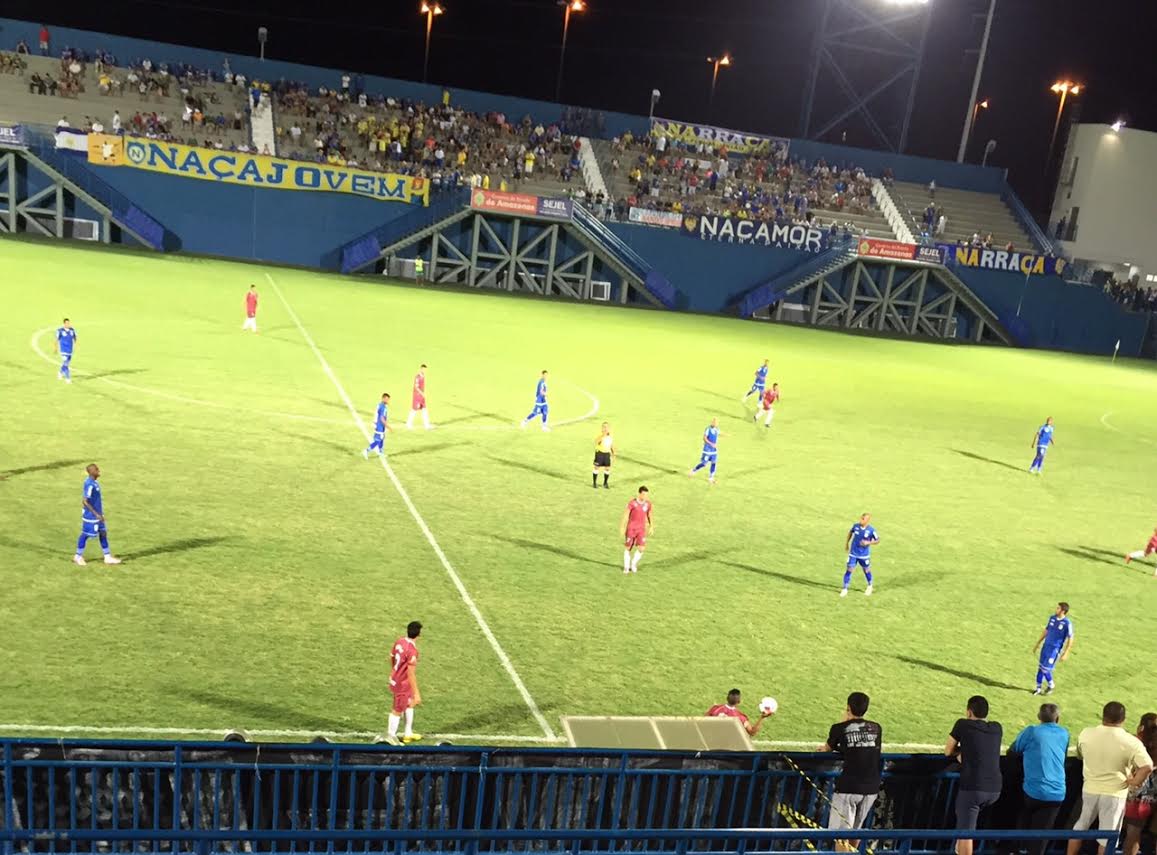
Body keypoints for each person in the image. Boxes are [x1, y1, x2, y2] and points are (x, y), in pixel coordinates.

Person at [1066, 702, 1154, 855]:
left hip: (1090, 790)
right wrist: (1134, 782)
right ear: (1123, 719)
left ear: (1103, 716)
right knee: (1108, 836)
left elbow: (1080, 755)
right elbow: (1147, 766)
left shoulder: (1086, 733)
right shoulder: (1130, 741)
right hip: (1115, 794)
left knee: (1080, 827)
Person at [820, 692, 883, 848]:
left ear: (848, 707)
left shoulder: (839, 728)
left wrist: (845, 722)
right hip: (871, 788)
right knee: (856, 832)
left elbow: (827, 748)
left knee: (840, 836)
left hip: (849, 787)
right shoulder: (876, 728)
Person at [1009, 703, 1070, 855]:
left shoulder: (1032, 732)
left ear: (1038, 717)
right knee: (1041, 838)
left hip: (1033, 792)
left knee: (1022, 816)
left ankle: (1015, 849)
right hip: (1057, 794)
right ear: (1058, 718)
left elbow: (1014, 750)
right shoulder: (1064, 733)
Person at [946, 696, 1003, 855]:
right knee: (966, 830)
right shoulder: (997, 727)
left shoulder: (963, 724)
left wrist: (961, 753)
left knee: (965, 833)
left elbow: (948, 751)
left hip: (974, 789)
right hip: (995, 789)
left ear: (968, 712)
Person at [1122, 714, 1157, 855]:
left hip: (1135, 796)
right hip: (1149, 798)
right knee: (1134, 833)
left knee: (1131, 834)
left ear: (1141, 727)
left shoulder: (1135, 743)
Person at [74, 464, 123, 566]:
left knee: (103, 533)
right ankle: (78, 556)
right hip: (91, 516)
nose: (98, 470)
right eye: (96, 469)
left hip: (98, 515)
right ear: (91, 472)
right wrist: (96, 514)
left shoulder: (94, 483)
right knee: (85, 534)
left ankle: (107, 557)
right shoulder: (90, 484)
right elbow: (85, 501)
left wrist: (100, 514)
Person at [384, 621, 423, 746]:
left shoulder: (400, 641)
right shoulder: (412, 651)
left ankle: (408, 733)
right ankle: (391, 737)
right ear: (418, 634)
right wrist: (417, 693)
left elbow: (391, 657)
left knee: (409, 704)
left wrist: (394, 671)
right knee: (397, 709)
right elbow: (411, 673)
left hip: (396, 678)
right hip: (403, 684)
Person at [1032, 602, 1074, 695]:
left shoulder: (1067, 623)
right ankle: (1038, 689)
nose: (1056, 609)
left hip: (1054, 650)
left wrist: (1066, 653)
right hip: (1046, 647)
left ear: (1063, 611)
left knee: (1045, 669)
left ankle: (1051, 685)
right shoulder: (1052, 618)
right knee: (1040, 667)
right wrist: (1038, 643)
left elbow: (1070, 638)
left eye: (1058, 608)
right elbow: (1046, 631)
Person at [705, 688, 773, 737]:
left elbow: (702, 723)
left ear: (727, 698)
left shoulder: (715, 709)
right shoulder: (741, 717)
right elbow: (752, 732)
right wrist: (762, 717)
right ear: (739, 701)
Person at [841, 513, 879, 597]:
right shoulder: (856, 526)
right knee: (849, 569)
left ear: (867, 521)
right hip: (853, 554)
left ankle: (870, 586)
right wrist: (847, 543)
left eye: (863, 519)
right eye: (861, 518)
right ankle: (844, 589)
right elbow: (850, 533)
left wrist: (868, 542)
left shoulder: (871, 530)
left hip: (864, 555)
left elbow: (877, 540)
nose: (861, 520)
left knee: (866, 570)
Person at [620, 486, 652, 574]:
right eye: (644, 494)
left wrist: (651, 525)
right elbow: (626, 515)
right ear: (639, 494)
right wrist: (622, 527)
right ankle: (626, 567)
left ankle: (633, 564)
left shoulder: (648, 504)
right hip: (631, 528)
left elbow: (649, 514)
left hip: (641, 529)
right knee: (628, 547)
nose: (645, 496)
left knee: (641, 548)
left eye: (646, 495)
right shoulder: (632, 503)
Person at [688, 418, 720, 484]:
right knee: (704, 464)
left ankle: (711, 478)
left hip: (714, 450)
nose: (715, 423)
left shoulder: (717, 429)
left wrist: (726, 435)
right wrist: (711, 444)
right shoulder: (708, 429)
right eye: (713, 422)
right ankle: (693, 470)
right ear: (711, 423)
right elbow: (704, 438)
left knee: (714, 463)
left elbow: (719, 433)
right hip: (707, 450)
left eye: (716, 423)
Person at [363, 393, 392, 459]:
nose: (388, 401)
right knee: (377, 441)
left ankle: (380, 452)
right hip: (379, 426)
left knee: (382, 438)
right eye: (387, 399)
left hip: (378, 424)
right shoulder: (383, 407)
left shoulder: (380, 405)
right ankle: (366, 451)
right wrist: (388, 426)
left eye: (388, 400)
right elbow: (382, 418)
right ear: (383, 398)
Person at [405, 364, 432, 430]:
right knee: (414, 409)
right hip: (417, 396)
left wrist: (423, 394)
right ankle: (408, 423)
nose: (424, 371)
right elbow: (416, 387)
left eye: (425, 370)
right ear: (421, 369)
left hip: (421, 396)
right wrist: (422, 393)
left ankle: (427, 425)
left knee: (424, 409)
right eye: (423, 369)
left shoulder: (423, 376)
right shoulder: (418, 377)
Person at [593, 422, 615, 489]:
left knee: (607, 468)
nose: (605, 428)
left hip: (606, 454)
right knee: (596, 467)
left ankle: (605, 483)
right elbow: (596, 442)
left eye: (606, 427)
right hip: (599, 453)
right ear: (602, 428)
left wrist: (613, 454)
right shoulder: (601, 437)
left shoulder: (610, 438)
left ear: (609, 429)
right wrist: (603, 436)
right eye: (604, 427)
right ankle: (594, 483)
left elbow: (611, 446)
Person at [54, 317, 77, 383]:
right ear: (64, 324)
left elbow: (74, 337)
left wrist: (76, 343)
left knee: (66, 363)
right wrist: (56, 348)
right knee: (66, 364)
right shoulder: (60, 331)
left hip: (70, 350)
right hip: (63, 350)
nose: (68, 324)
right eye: (66, 323)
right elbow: (56, 340)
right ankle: (68, 378)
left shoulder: (72, 330)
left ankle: (60, 372)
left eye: (68, 323)